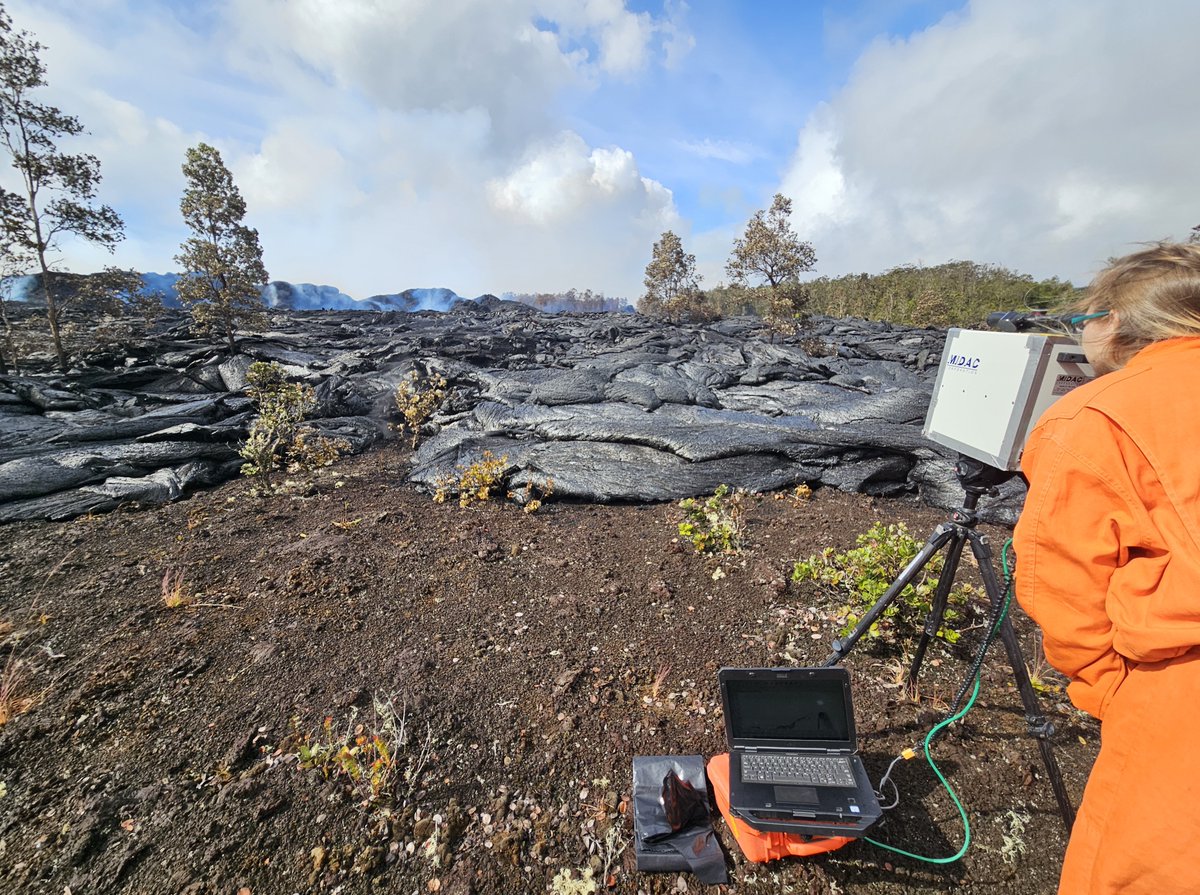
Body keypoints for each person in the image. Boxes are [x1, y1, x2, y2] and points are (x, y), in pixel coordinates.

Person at [1013, 241, 1200, 895]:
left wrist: (1114, 698)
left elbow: (1065, 599)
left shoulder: (1096, 417)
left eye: (1080, 319)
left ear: (1114, 320)